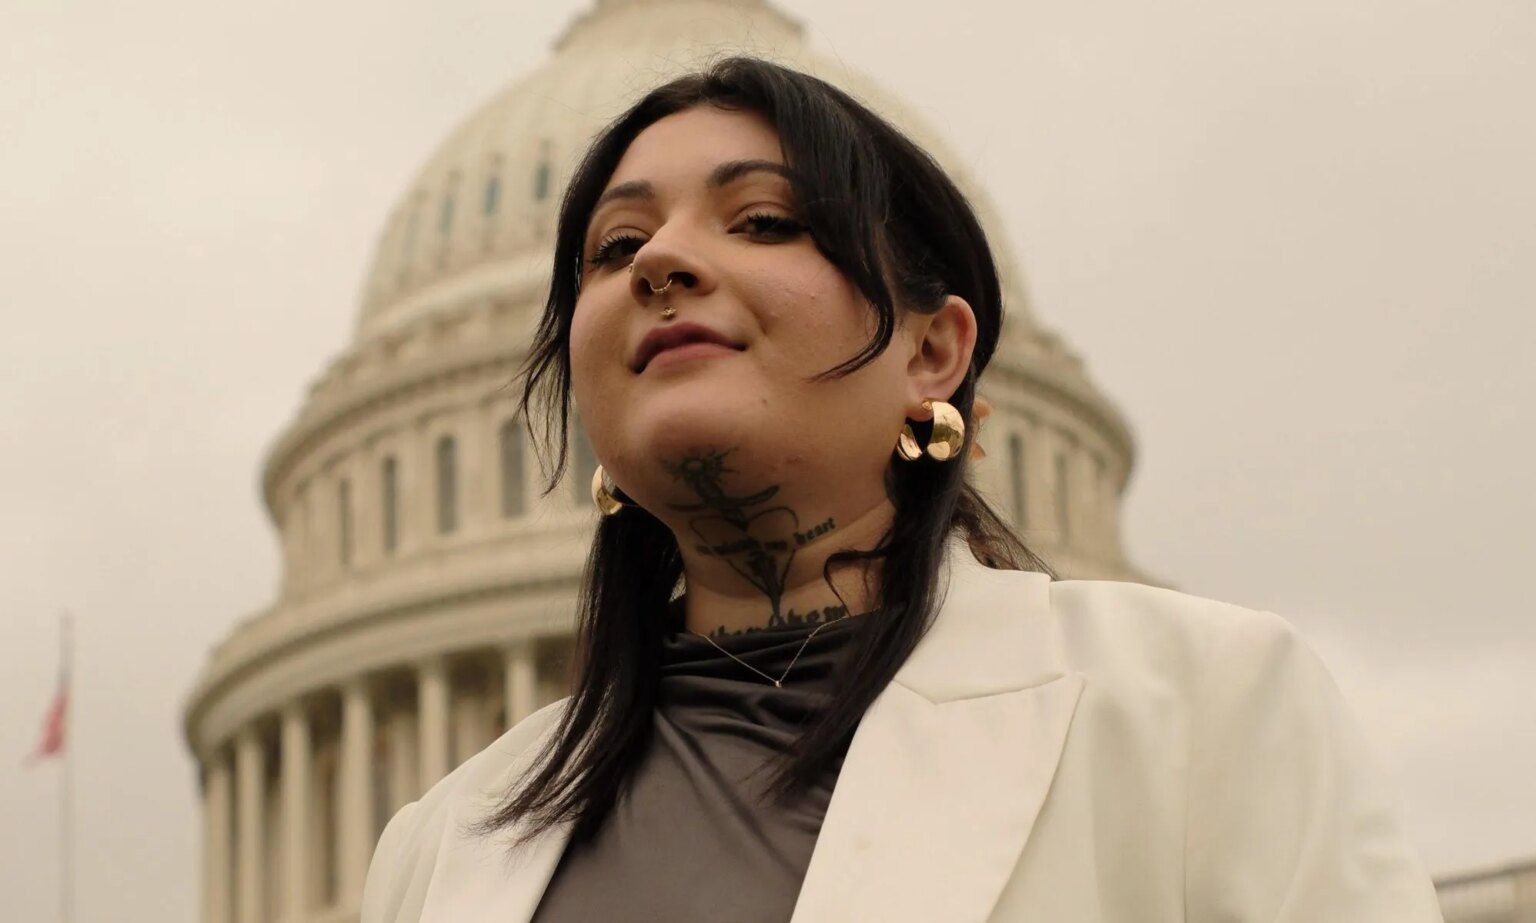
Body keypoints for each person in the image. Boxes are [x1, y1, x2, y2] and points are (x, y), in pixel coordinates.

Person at [361, 56, 1443, 923]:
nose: (662, 264)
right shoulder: (440, 845)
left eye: (765, 220)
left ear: (935, 352)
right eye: (617, 245)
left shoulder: (1202, 710)